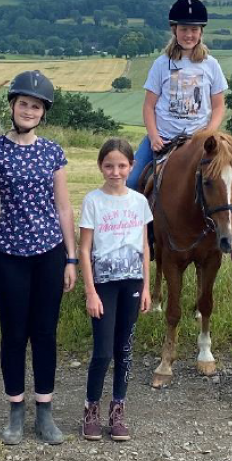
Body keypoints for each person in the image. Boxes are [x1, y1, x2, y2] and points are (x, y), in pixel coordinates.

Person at [0, 70, 78, 445]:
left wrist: (71, 258)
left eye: (36, 107)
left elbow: (63, 207)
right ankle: (15, 411)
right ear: (12, 106)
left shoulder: (52, 152)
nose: (29, 111)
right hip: (8, 252)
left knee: (44, 332)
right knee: (13, 334)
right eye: (24, 104)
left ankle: (44, 411)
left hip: (48, 253)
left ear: (43, 113)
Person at [78, 138, 153, 442]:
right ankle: (91, 408)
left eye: (122, 166)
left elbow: (145, 246)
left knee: (124, 350)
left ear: (131, 167)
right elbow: (85, 249)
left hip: (132, 283)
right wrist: (90, 292)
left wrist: (146, 287)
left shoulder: (139, 202)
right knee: (103, 352)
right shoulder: (93, 201)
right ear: (100, 166)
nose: (115, 172)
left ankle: (118, 408)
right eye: (109, 166)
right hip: (104, 286)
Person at [126, 0, 228, 191]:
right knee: (131, 180)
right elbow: (149, 106)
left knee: (228, 177)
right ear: (174, 30)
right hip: (163, 138)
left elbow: (218, 106)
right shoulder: (161, 64)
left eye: (194, 30)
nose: (189, 35)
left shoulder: (211, 65)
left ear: (201, 32)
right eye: (183, 29)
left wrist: (208, 134)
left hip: (198, 140)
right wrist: (154, 136)